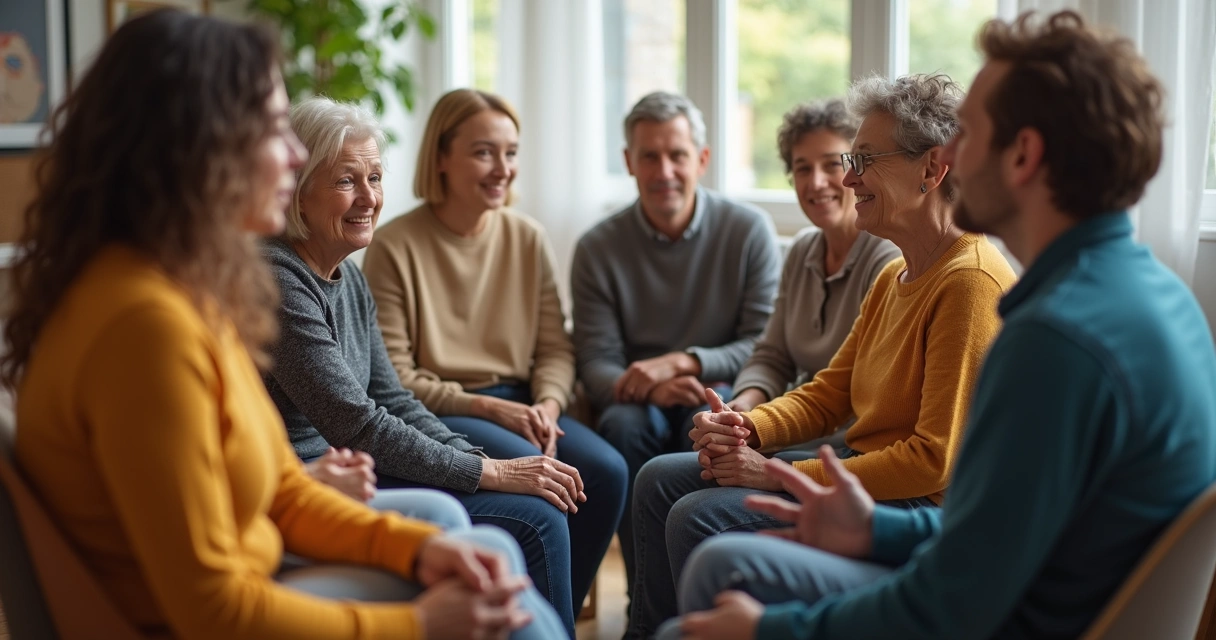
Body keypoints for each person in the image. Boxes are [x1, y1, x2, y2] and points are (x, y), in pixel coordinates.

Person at [1, 10, 563, 639]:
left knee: (463, 546)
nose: (295, 157)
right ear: (202, 148)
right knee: (498, 587)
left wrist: (413, 549)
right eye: (273, 129)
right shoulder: (143, 326)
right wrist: (416, 624)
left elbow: (283, 491)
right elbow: (210, 611)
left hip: (255, 557)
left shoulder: (191, 290)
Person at [658, 10, 1216, 640]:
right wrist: (877, 528)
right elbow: (999, 529)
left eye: (968, 135)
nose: (949, 155)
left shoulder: (1056, 336)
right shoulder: (1148, 293)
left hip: (1011, 617)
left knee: (709, 580)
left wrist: (774, 630)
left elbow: (957, 596)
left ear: (1024, 155)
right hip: (1021, 585)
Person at [626, 73, 1019, 638]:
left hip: (916, 510)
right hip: (863, 478)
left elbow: (933, 463)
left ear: (933, 169)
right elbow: (830, 391)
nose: (847, 177)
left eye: (864, 160)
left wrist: (778, 475)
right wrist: (748, 425)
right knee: (658, 478)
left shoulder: (970, 284)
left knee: (698, 512)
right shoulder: (895, 275)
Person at [262, 94, 589, 638]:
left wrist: (472, 458)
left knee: (541, 505)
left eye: (374, 178)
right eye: (347, 181)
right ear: (298, 187)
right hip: (312, 489)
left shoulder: (348, 275)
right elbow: (357, 422)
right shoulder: (279, 278)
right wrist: (494, 472)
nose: (368, 197)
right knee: (535, 519)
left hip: (346, 479)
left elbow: (392, 399)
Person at [362, 87, 628, 623]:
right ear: (440, 157)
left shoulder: (525, 237)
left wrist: (550, 405)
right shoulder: (394, 245)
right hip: (446, 410)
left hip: (526, 404)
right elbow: (395, 378)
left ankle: (552, 617)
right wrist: (490, 409)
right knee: (548, 489)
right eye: (484, 151)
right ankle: (537, 619)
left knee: (608, 471)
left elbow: (556, 346)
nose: (502, 168)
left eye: (510, 152)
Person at [571, 91, 782, 594]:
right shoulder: (597, 247)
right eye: (649, 156)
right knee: (623, 426)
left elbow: (763, 344)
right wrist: (649, 385)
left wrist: (684, 363)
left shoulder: (748, 230)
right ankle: (645, 598)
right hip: (638, 399)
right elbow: (595, 362)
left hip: (720, 390)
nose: (664, 169)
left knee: (715, 421)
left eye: (677, 155)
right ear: (628, 162)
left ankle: (705, 595)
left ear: (702, 160)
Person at [727, 99, 900, 414]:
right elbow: (772, 357)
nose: (816, 182)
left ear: (858, 168)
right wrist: (743, 406)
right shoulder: (802, 250)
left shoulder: (887, 258)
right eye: (802, 168)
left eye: (832, 164)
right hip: (792, 424)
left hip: (842, 444)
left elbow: (862, 392)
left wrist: (765, 427)